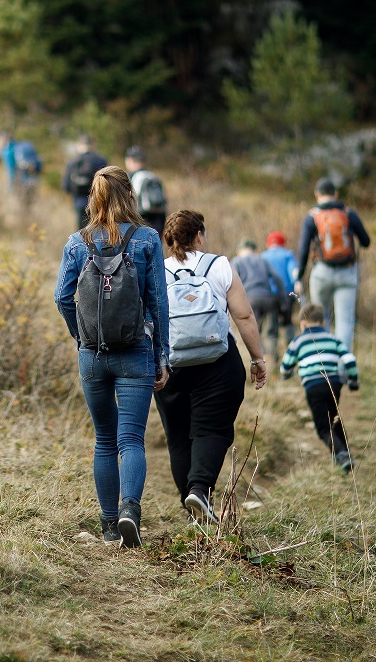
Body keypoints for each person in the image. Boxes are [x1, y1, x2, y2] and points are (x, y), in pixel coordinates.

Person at [55, 166, 170, 548]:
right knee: (131, 440)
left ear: (95, 197)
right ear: (130, 196)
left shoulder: (77, 241)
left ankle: (107, 526)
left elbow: (61, 297)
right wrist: (162, 356)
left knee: (104, 439)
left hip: (92, 354)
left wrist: (81, 336)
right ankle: (129, 513)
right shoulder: (148, 238)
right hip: (136, 351)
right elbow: (158, 302)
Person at [156, 211, 269, 525]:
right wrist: (257, 359)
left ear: (169, 240)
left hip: (172, 364)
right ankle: (200, 491)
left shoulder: (157, 271)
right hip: (218, 362)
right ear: (199, 236)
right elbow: (244, 316)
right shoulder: (218, 264)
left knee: (178, 437)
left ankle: (191, 506)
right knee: (212, 429)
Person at [280, 303, 358, 472]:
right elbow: (349, 360)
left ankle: (341, 455)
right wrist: (353, 381)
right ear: (323, 323)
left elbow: (285, 367)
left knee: (323, 427)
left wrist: (287, 375)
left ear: (302, 324)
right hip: (334, 384)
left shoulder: (298, 341)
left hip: (313, 386)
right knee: (333, 417)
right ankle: (345, 452)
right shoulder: (333, 338)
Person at [295, 178, 371, 351]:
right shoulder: (348, 213)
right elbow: (366, 241)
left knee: (321, 319)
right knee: (344, 321)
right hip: (346, 274)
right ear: (335, 194)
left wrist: (299, 275)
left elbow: (303, 250)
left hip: (321, 273)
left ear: (317, 194)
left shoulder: (311, 217)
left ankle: (324, 363)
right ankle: (342, 367)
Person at [231, 239, 289, 365]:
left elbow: (231, 282)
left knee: (253, 331)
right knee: (271, 331)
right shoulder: (262, 260)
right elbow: (278, 279)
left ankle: (261, 358)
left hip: (249, 299)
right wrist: (284, 301)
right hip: (268, 298)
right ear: (254, 250)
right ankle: (273, 359)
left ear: (239, 251)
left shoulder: (236, 261)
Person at [260, 231, 300, 362]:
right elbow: (294, 272)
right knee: (288, 324)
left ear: (268, 244)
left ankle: (272, 358)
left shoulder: (263, 257)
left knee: (271, 328)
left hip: (269, 296)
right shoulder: (288, 255)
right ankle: (291, 356)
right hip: (287, 295)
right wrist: (297, 284)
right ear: (284, 243)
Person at [61, 136, 107, 231]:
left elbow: (65, 186)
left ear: (79, 145)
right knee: (98, 234)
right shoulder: (100, 161)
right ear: (93, 145)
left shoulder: (72, 162)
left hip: (79, 203)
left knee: (81, 234)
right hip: (98, 204)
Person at [125, 146, 168, 236]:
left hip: (141, 219)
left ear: (129, 160)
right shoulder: (152, 176)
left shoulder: (130, 177)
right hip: (158, 219)